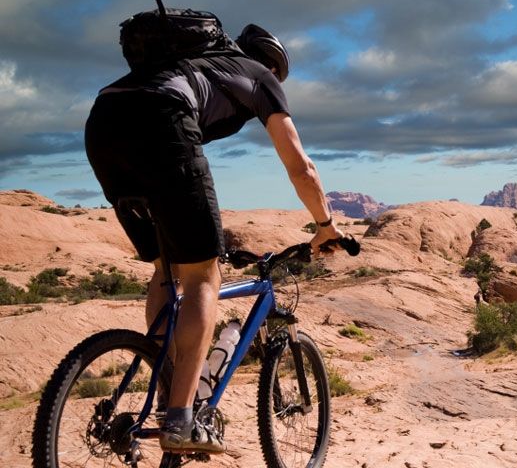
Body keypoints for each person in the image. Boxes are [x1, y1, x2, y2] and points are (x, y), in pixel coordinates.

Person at [84, 24, 343, 453]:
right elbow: (301, 166)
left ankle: (169, 383)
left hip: (103, 123)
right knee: (204, 276)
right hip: (161, 121)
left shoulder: (194, 63)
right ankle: (181, 420)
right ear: (275, 67)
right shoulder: (261, 77)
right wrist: (324, 224)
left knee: (165, 271)